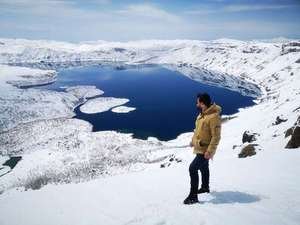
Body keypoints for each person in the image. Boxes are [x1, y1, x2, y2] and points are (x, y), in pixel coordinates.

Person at [183, 93, 222, 205]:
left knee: (192, 168)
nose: (197, 104)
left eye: (198, 102)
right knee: (204, 167)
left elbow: (216, 136)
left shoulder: (214, 117)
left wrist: (210, 151)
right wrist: (193, 141)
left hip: (205, 150)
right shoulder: (202, 115)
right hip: (200, 147)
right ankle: (205, 187)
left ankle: (193, 196)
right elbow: (198, 131)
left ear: (203, 103)